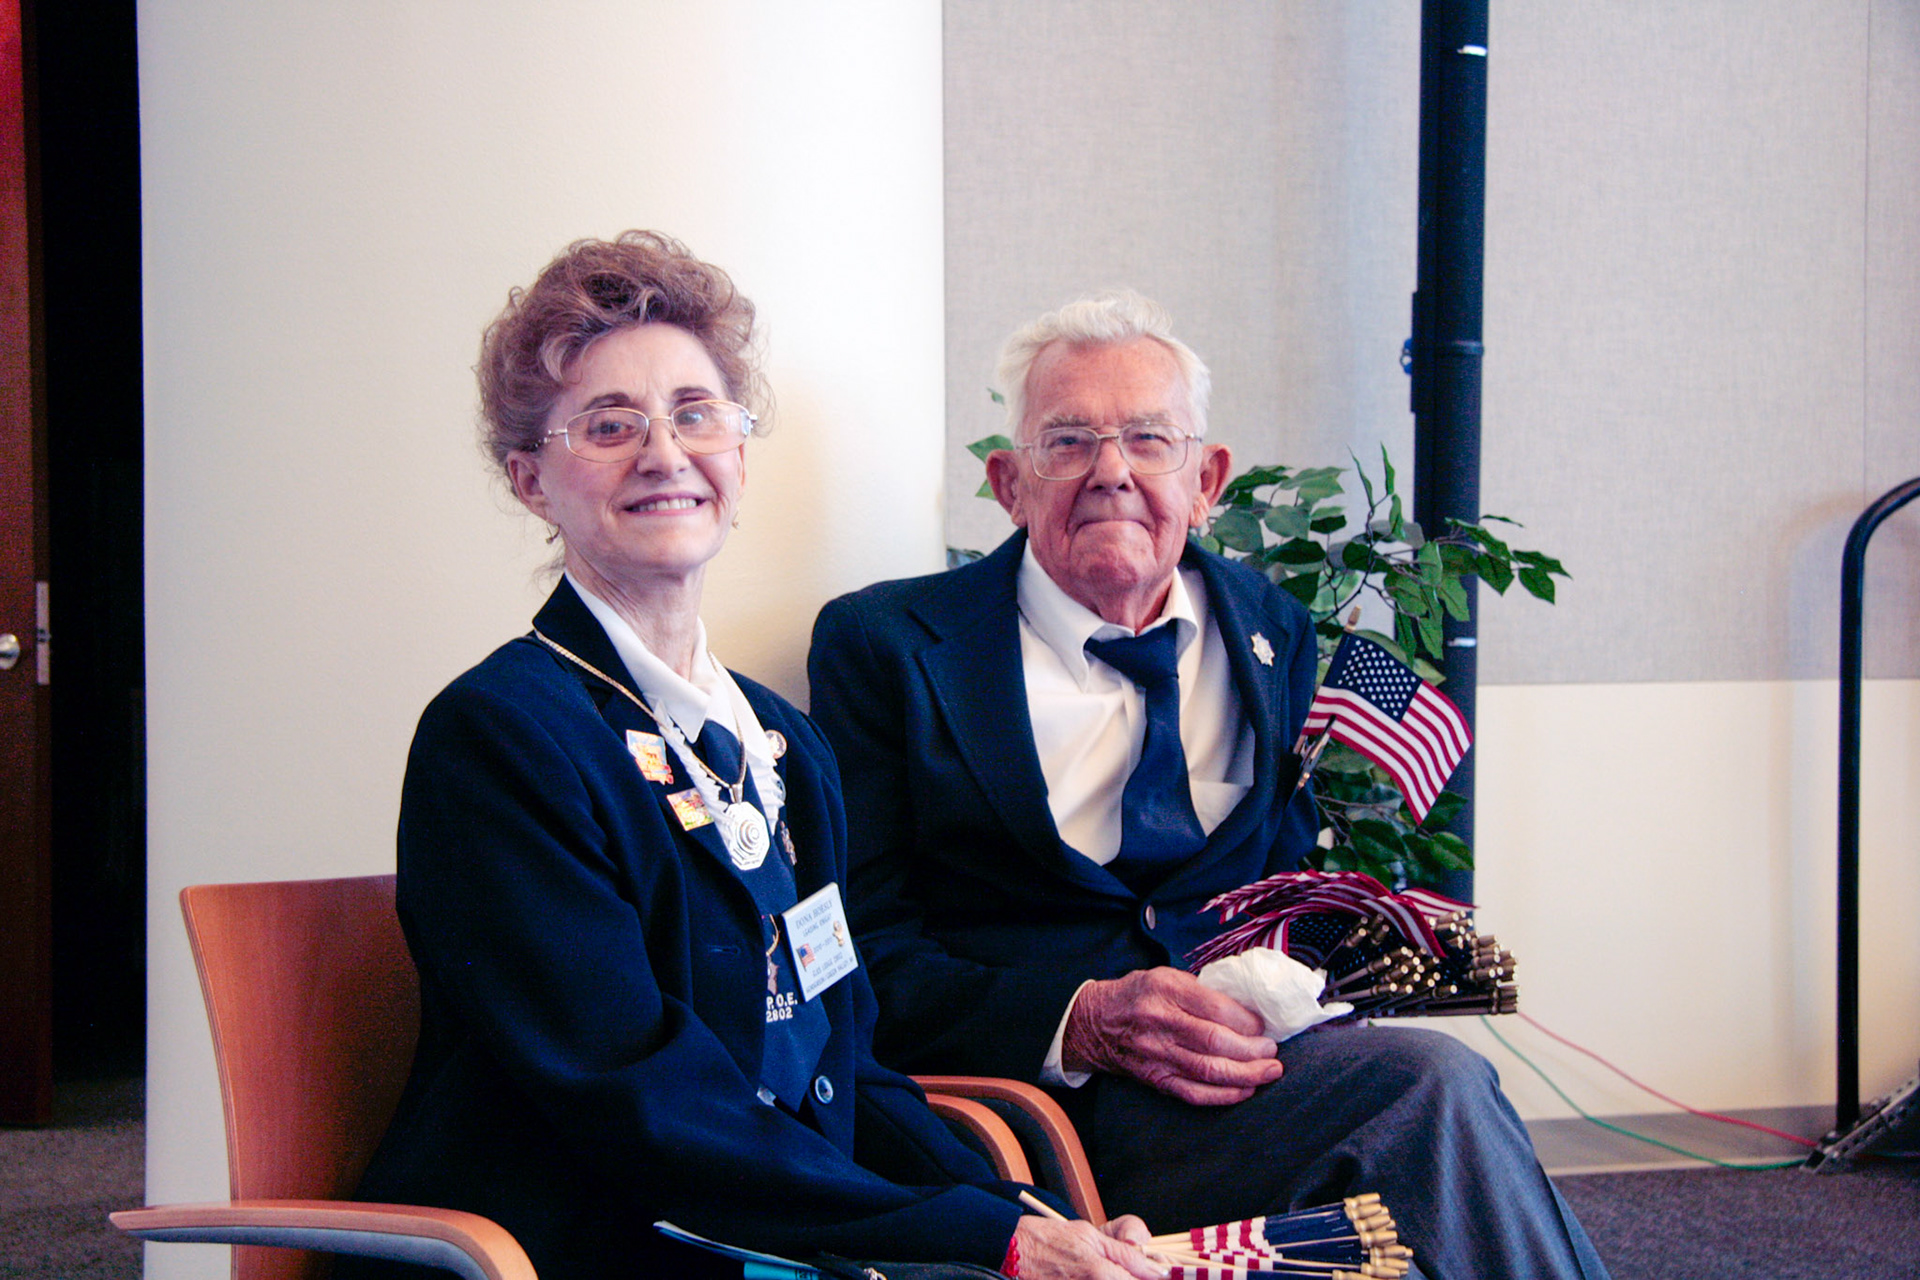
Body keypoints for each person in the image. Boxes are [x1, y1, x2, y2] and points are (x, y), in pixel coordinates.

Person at [345, 235, 1167, 1280]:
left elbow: (851, 1070)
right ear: (530, 480)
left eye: (696, 413)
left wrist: (1033, 1215)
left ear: (736, 452)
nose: (664, 452)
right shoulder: (502, 737)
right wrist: (988, 1239)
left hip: (771, 1230)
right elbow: (638, 1099)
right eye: (608, 425)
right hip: (587, 1241)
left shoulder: (781, 742)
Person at [807, 290, 1610, 1280]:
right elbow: (864, 958)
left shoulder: (1273, 628)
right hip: (1046, 1109)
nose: (1111, 470)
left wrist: (1298, 978)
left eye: (1150, 436)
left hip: (1253, 1074)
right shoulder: (887, 646)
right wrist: (1087, 1016)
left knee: (1428, 1113)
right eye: (1069, 439)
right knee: (1429, 1098)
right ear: (1008, 482)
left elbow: (1282, 884)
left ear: (1207, 478)